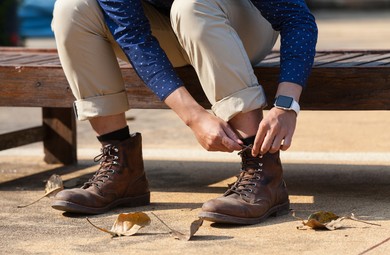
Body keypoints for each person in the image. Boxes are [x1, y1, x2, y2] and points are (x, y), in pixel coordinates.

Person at [51, 0, 318, 225]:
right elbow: (131, 34)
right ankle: (122, 170)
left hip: (239, 25)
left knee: (190, 5)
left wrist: (286, 105)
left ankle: (263, 170)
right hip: (173, 32)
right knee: (72, 8)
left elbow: (297, 19)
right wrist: (194, 116)